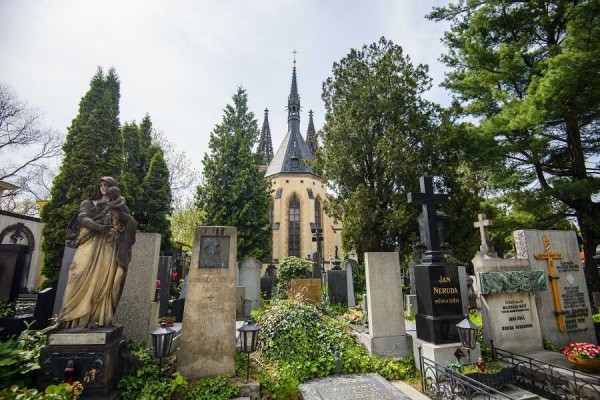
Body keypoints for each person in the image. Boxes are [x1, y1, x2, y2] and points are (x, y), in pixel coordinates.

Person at [59, 177, 137, 329]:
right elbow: (82, 219)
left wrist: (123, 219)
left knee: (104, 281)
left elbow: (131, 225)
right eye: (100, 184)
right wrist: (99, 227)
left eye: (106, 185)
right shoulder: (88, 203)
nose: (103, 187)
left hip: (108, 246)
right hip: (89, 242)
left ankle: (97, 319)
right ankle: (69, 318)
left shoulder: (121, 207)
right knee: (77, 273)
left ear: (113, 188)